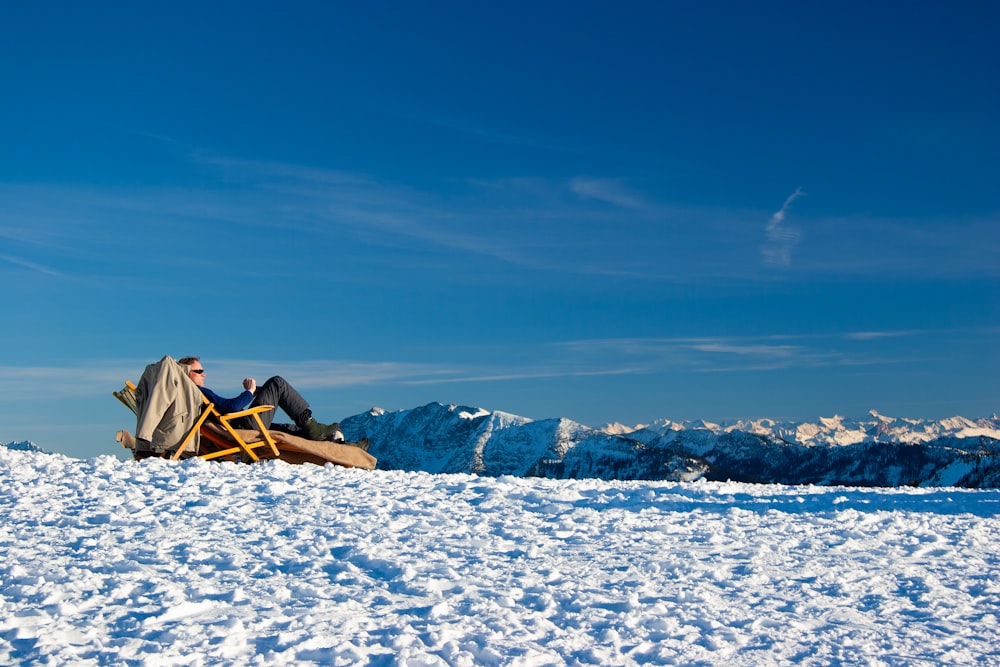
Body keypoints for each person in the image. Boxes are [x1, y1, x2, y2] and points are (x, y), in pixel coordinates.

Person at [177, 356, 344, 442]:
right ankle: (312, 424)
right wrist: (249, 392)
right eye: (198, 371)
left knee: (290, 429)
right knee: (277, 382)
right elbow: (232, 407)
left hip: (242, 423)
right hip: (246, 426)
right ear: (186, 373)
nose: (204, 373)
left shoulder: (191, 396)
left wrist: (257, 392)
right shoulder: (199, 392)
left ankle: (340, 443)